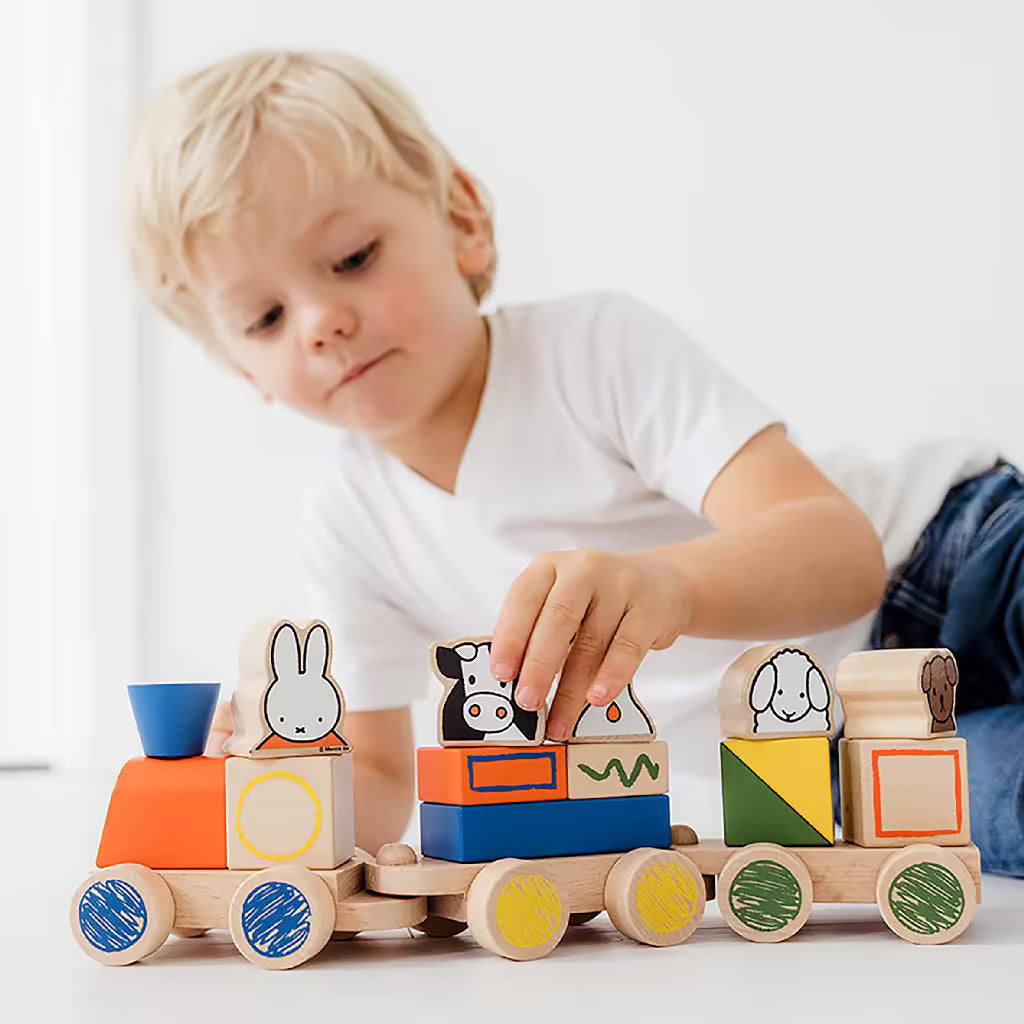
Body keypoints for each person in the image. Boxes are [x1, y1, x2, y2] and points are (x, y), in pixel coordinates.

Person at [123, 48, 1022, 875]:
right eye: (265, 320)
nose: (320, 321)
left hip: (947, 569)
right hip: (810, 756)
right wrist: (278, 776)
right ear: (244, 370)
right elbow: (389, 777)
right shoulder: (345, 526)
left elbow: (840, 553)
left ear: (462, 220)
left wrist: (669, 586)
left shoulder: (592, 352)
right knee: (999, 805)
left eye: (353, 258)